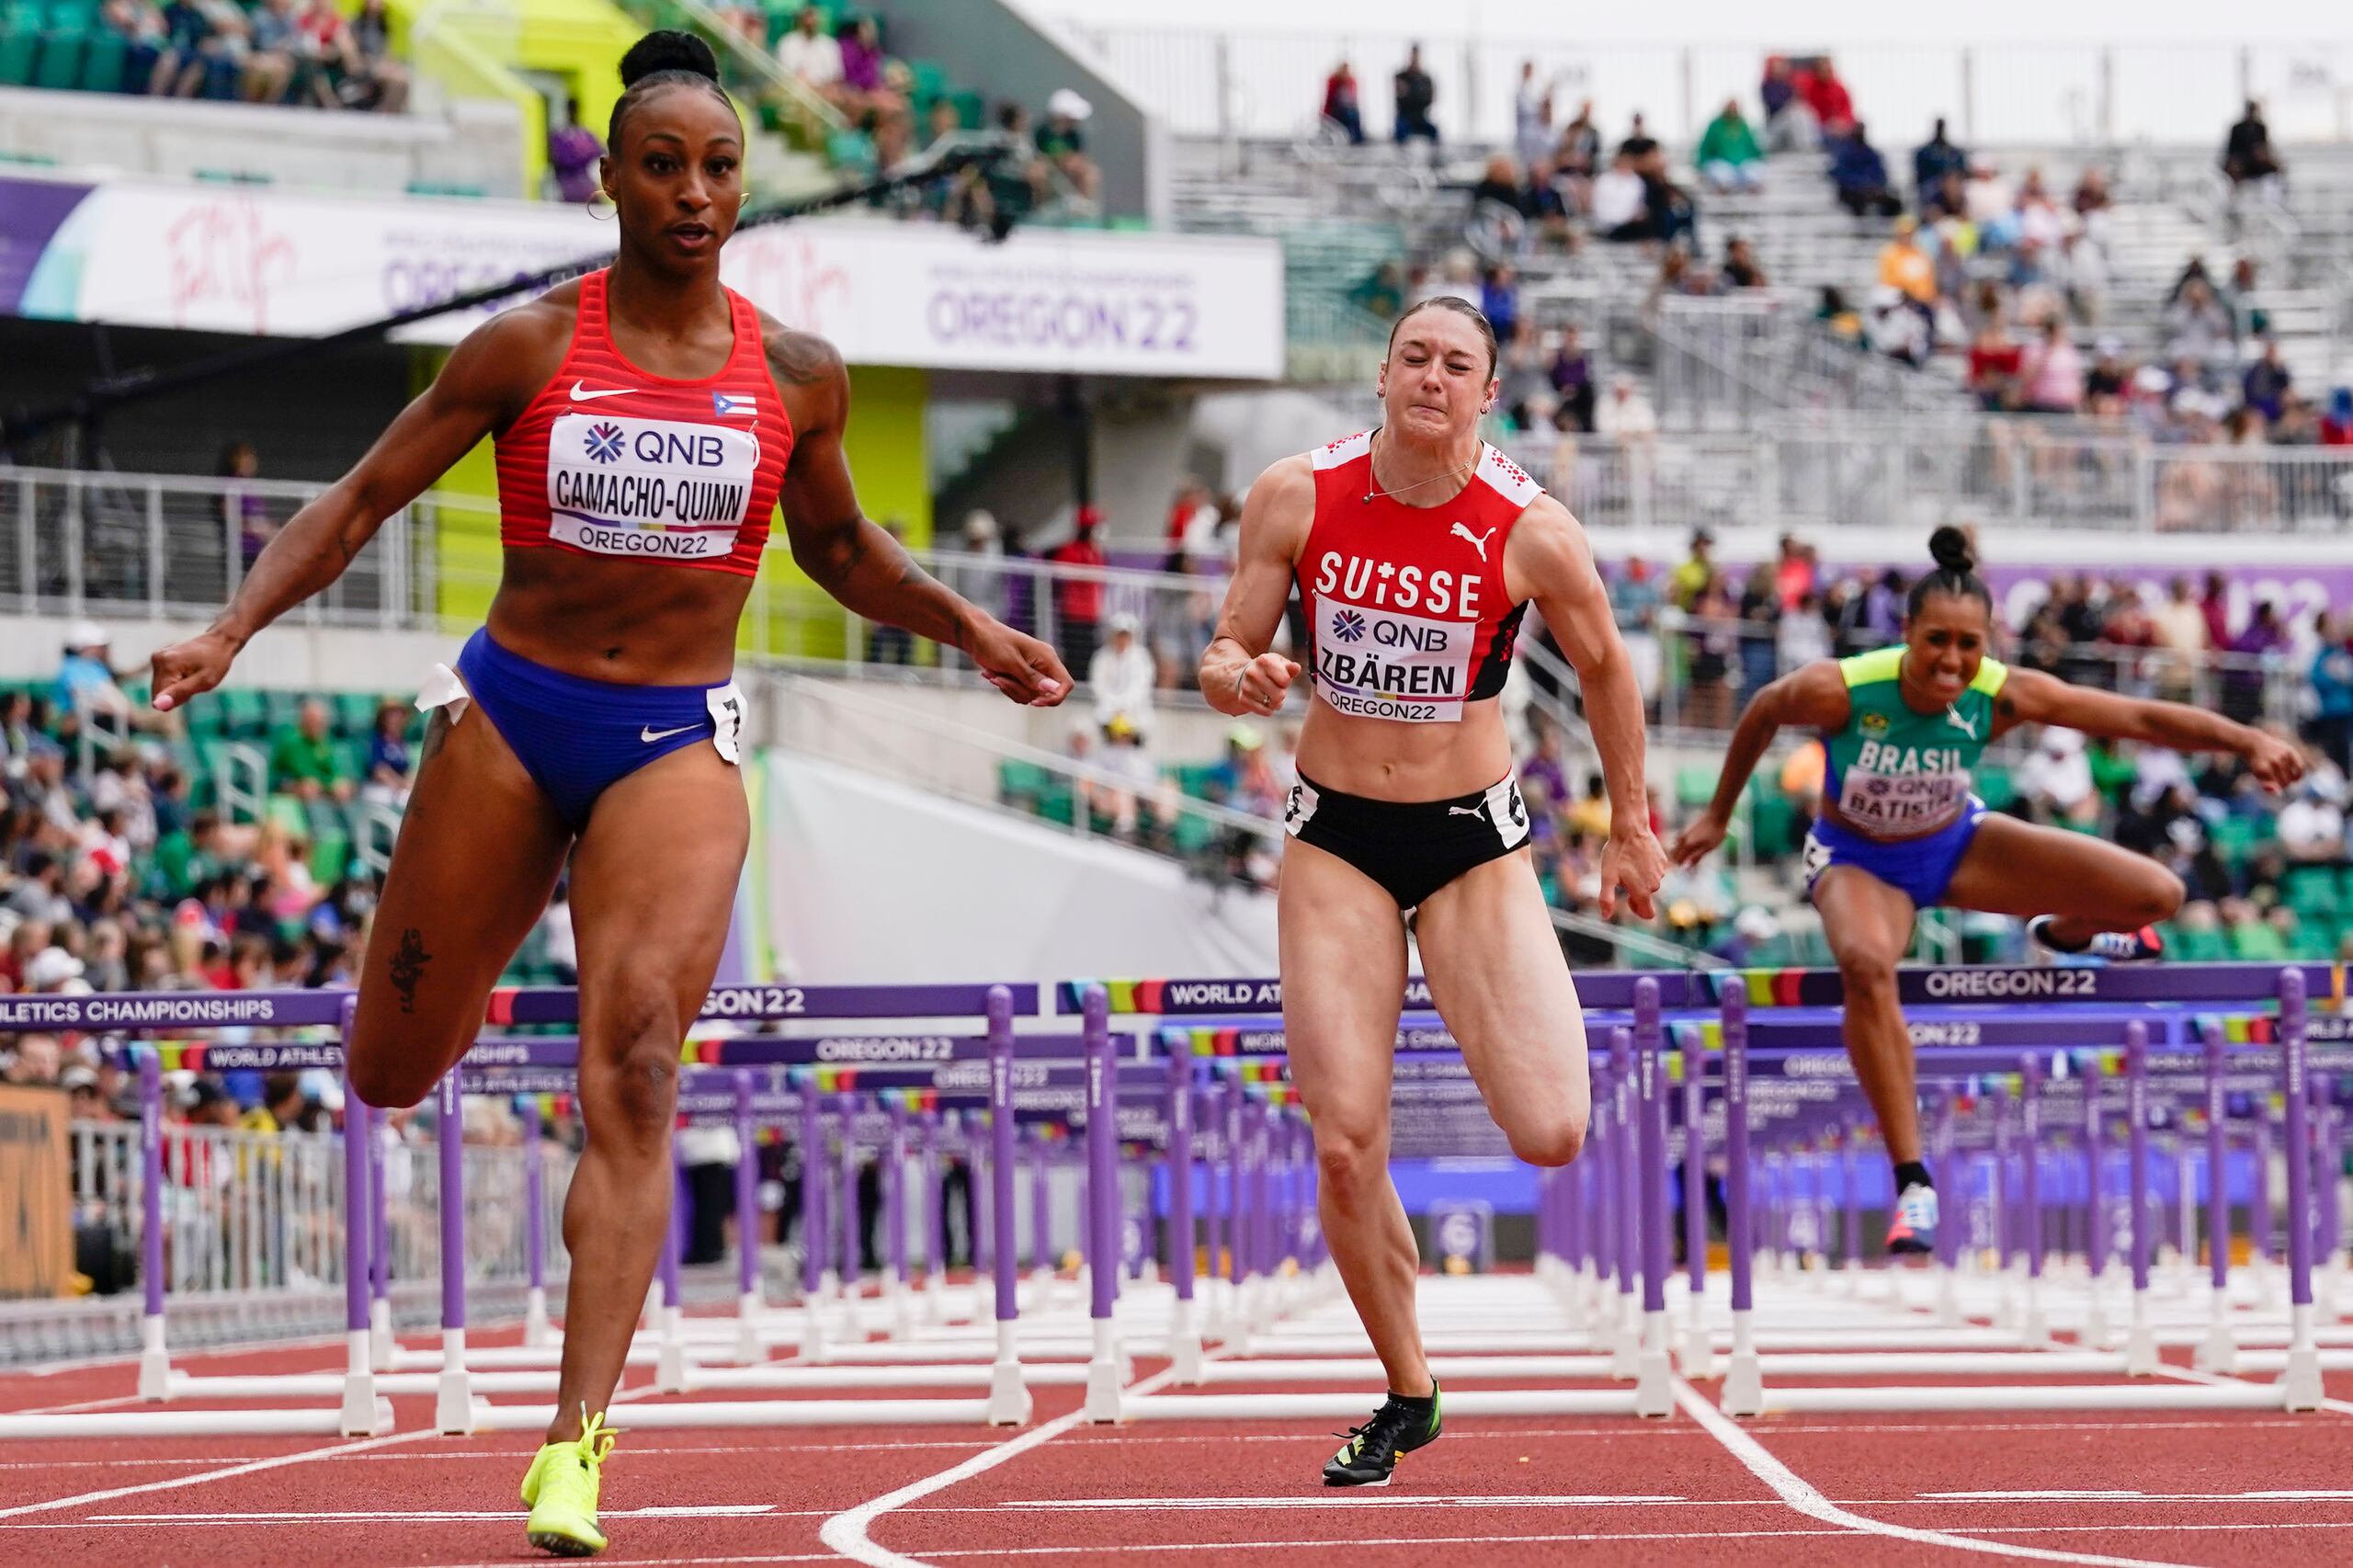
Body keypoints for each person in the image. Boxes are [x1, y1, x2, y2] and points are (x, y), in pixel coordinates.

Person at [145, 32, 1067, 1558]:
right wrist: (233, 627)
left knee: (635, 1063)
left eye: (720, 168)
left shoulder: (796, 377)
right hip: (511, 718)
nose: (696, 193)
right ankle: (437, 1058)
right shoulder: (524, 349)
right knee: (386, 1069)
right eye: (665, 165)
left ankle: (575, 1445)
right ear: (611, 177)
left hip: (671, 743)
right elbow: (363, 497)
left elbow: (839, 552)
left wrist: (966, 623)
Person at [1197, 296, 1665, 1486]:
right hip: (1336, 835)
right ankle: (1410, 1386)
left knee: (1554, 1129)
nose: (1433, 378)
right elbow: (1221, 650)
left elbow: (1608, 670)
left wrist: (1631, 828)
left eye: (1459, 364)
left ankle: (1413, 1374)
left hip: (1471, 837)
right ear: (1384, 374)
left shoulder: (1532, 527)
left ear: (1488, 394)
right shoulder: (1296, 495)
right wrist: (1238, 677)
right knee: (1347, 1144)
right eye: (1416, 356)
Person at [1668, 528, 2301, 1259]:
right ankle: (1914, 1180)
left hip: (1956, 845)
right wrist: (1718, 813)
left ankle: (2065, 933)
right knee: (1868, 968)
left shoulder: (2003, 695)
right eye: (1936, 641)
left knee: (2156, 893)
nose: (1952, 661)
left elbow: (2140, 718)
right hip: (1860, 860)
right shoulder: (1841, 689)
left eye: (1969, 646)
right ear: (1905, 633)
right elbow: (1764, 710)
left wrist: (2247, 741)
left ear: (1989, 644)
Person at [1694, 99, 1763, 193]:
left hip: (1742, 164)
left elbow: (1753, 147)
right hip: (1722, 163)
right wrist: (1700, 165)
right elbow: (1705, 147)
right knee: (1721, 173)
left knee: (1753, 172)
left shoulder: (1744, 125)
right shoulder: (1715, 126)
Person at [1392, 44, 1436, 144]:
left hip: (1420, 118)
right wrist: (1416, 94)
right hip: (1405, 118)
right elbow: (1400, 101)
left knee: (1434, 131)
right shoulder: (1401, 76)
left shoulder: (1426, 79)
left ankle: (1435, 159)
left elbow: (1429, 100)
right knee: (1400, 130)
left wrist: (1410, 92)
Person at [1323, 59, 1364, 143]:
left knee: (1353, 119)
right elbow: (1329, 98)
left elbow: (1353, 98)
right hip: (1337, 111)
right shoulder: (1334, 81)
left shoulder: (1351, 81)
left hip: (1349, 110)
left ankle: (1356, 140)